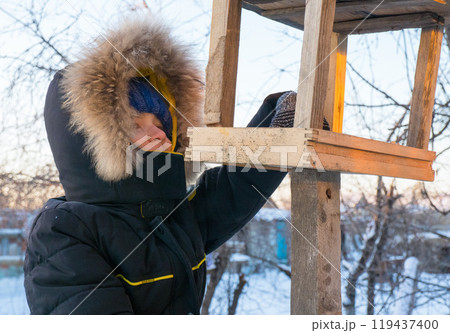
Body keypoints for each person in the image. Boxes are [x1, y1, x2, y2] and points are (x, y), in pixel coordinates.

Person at [23, 17, 293, 315]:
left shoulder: (172, 213)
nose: (159, 134)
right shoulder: (64, 232)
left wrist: (280, 127)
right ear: (91, 138)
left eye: (161, 122)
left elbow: (234, 190)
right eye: (136, 124)